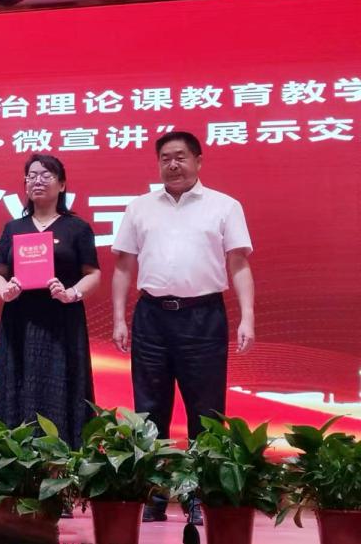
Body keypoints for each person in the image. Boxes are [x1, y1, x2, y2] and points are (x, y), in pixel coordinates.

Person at [111, 130, 255, 525]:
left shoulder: (224, 206)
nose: (172, 165)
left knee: (205, 412)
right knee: (149, 410)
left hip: (203, 317)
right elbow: (123, 266)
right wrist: (119, 318)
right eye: (165, 158)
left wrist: (247, 316)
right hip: (151, 317)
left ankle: (199, 495)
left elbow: (239, 264)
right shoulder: (140, 207)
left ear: (198, 160)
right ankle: (154, 494)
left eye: (180, 157)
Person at [0, 154, 100, 448]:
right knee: (19, 383)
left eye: (46, 175)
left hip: (62, 318)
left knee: (60, 385)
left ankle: (65, 457)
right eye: (32, 175)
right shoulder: (14, 228)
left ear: (62, 184)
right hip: (19, 318)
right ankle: (16, 457)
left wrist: (71, 293)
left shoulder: (76, 228)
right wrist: (5, 291)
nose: (38, 180)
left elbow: (93, 274)